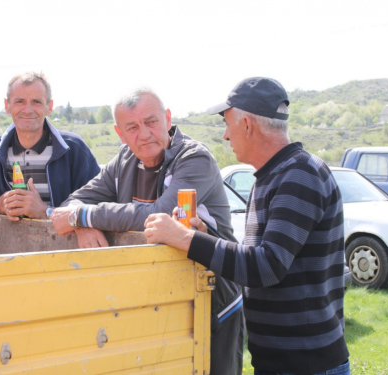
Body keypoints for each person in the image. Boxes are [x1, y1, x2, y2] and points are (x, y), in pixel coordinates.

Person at [144, 77, 350, 375]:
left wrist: (187, 240)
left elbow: (266, 267)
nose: (225, 136)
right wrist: (204, 235)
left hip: (306, 365)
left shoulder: (299, 174)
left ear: (247, 125)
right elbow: (258, 256)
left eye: (227, 124)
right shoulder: (274, 175)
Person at [50, 88, 245, 375]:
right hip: (155, 302)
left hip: (212, 300)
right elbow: (72, 203)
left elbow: (158, 215)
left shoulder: (194, 158)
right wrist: (83, 224)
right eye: (132, 127)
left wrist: (82, 215)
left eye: (151, 121)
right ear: (120, 134)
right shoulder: (122, 161)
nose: (144, 134)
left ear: (167, 118)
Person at [0, 72, 100, 221]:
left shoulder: (74, 149)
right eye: (19, 101)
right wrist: (0, 205)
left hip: (66, 243)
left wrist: (45, 211)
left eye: (36, 102)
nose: (28, 110)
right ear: (7, 106)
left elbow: (97, 205)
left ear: (49, 107)